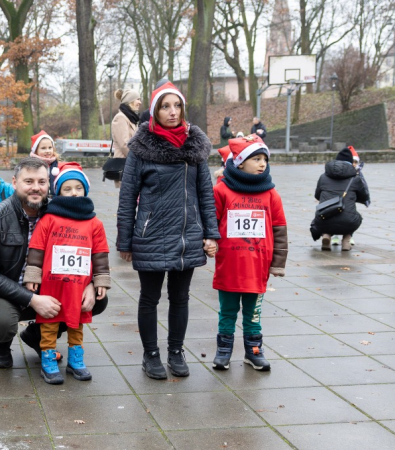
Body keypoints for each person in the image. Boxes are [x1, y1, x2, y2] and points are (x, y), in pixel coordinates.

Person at [116, 82, 220, 380]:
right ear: (155, 111)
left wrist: (211, 234)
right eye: (165, 106)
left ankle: (176, 351)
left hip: (187, 235)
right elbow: (127, 196)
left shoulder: (194, 145)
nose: (172, 112)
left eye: (177, 106)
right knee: (149, 297)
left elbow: (205, 193)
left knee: (181, 296)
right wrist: (126, 239)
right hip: (150, 234)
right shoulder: (141, 146)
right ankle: (151, 355)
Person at [0, 157, 108, 369]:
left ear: (49, 185)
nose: (36, 188)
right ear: (15, 183)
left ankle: (37, 335)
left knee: (97, 300)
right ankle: (1, 345)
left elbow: (87, 250)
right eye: (29, 181)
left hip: (51, 285)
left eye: (42, 182)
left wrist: (90, 283)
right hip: (4, 291)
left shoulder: (62, 213)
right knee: (0, 323)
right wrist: (32, 299)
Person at [23, 162, 111, 384]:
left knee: (76, 323)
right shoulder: (49, 219)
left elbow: (100, 253)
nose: (73, 192)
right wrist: (32, 276)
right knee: (49, 324)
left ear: (85, 190)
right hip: (52, 285)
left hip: (78, 287)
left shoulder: (94, 223)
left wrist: (100, 280)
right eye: (67, 188)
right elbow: (36, 249)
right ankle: (48, 360)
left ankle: (76, 360)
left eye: (78, 188)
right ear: (59, 191)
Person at [211, 135, 288, 372]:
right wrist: (208, 242)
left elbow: (280, 229)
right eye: (256, 158)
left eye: (265, 158)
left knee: (253, 314)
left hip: (258, 267)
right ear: (240, 162)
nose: (262, 163)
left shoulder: (271, 194)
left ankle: (254, 352)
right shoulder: (222, 190)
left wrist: (278, 263)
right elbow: (211, 222)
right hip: (230, 266)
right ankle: (224, 350)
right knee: (228, 312)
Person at [310, 148, 370, 251]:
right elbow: (364, 197)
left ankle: (326, 235)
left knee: (327, 213)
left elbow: (317, 196)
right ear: (351, 163)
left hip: (323, 219)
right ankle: (346, 240)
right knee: (357, 217)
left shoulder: (323, 177)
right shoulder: (355, 178)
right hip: (348, 221)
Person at [331, 146, 370, 247]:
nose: (354, 164)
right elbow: (363, 192)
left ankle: (344, 235)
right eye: (352, 161)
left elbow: (363, 188)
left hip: (341, 201)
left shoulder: (356, 175)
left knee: (340, 213)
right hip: (340, 201)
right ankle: (341, 236)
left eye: (356, 162)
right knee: (350, 215)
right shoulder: (354, 176)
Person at [110, 88, 141, 188]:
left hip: (131, 165)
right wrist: (138, 159)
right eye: (138, 99)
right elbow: (124, 144)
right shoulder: (121, 118)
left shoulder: (131, 118)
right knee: (126, 200)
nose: (140, 102)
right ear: (130, 101)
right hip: (125, 165)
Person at [29, 130, 59, 195]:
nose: (47, 151)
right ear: (36, 150)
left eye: (50, 147)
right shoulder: (31, 165)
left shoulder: (55, 163)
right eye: (43, 148)